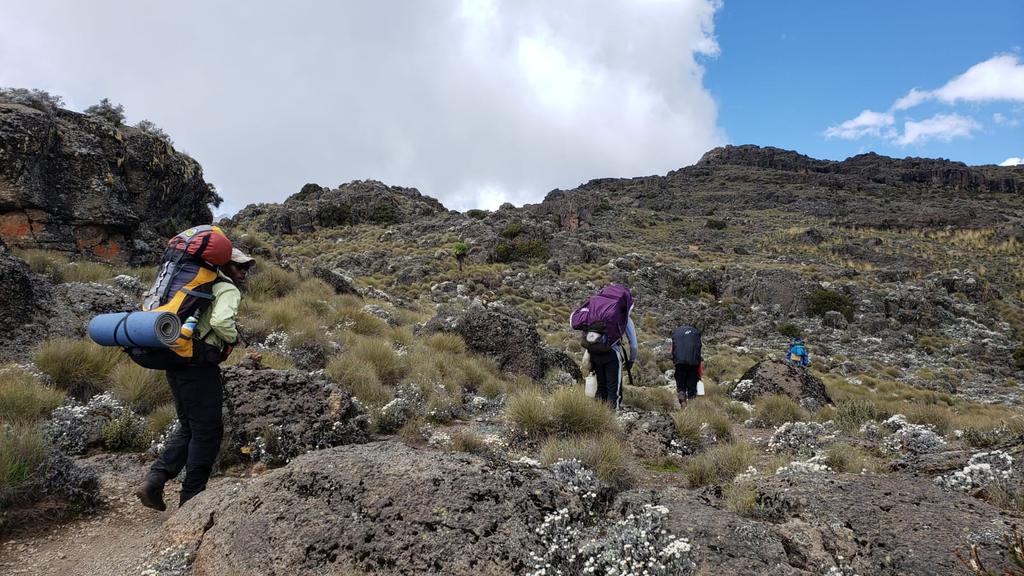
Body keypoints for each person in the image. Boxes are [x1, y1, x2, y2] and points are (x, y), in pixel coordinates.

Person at [135, 247, 254, 511]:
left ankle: (154, 481)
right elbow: (222, 321)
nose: (244, 272)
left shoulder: (194, 282)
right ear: (223, 265)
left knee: (189, 425)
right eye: (238, 266)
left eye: (247, 267)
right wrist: (234, 338)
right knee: (208, 431)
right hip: (198, 364)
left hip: (175, 357)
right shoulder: (227, 289)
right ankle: (192, 501)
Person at [571, 284, 638, 410]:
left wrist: (588, 352)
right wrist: (631, 361)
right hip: (612, 354)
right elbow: (633, 345)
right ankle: (613, 420)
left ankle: (599, 417)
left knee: (601, 387)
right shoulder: (624, 319)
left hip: (595, 353)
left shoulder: (595, 313)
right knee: (613, 390)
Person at [671, 325, 703, 405]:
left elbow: (673, 351)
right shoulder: (696, 335)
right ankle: (691, 403)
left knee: (681, 384)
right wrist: (699, 375)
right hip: (693, 363)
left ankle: (682, 396)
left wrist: (676, 362)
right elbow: (698, 354)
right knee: (692, 386)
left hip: (680, 362)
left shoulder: (677, 334)